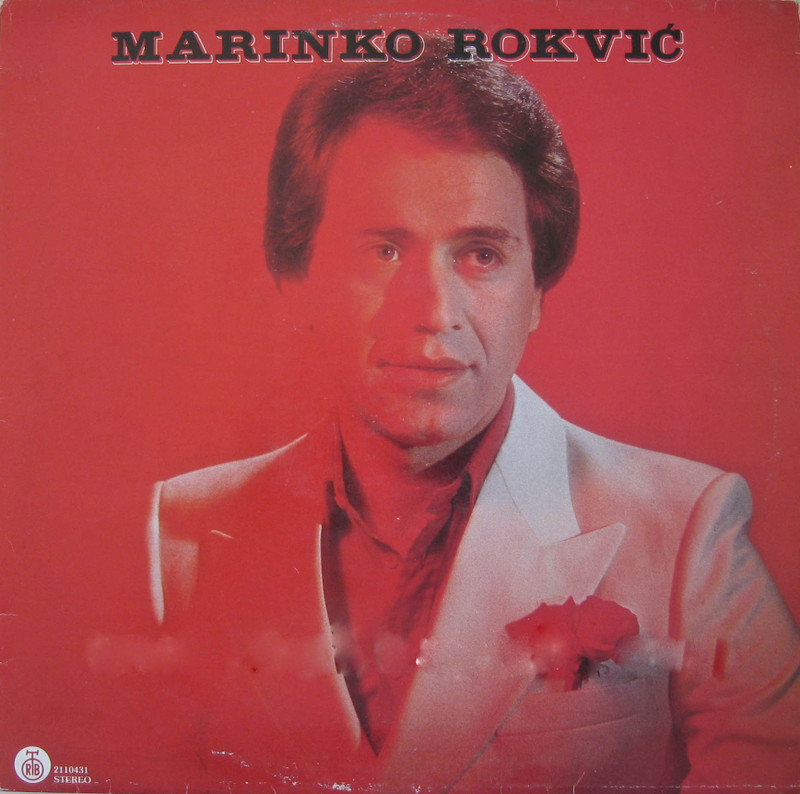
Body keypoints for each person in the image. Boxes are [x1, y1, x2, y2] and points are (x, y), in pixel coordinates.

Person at [146, 38, 800, 793]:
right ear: (298, 280)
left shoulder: (688, 529)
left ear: (537, 294)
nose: (432, 312)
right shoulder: (179, 533)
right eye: (384, 251)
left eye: (481, 254)